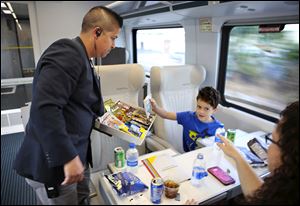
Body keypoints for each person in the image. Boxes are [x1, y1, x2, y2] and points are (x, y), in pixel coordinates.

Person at [13, 6, 123, 205]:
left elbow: (82, 102)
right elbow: (45, 109)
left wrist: (113, 116)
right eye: (113, 37)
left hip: (76, 155)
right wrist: (68, 157)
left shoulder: (84, 58)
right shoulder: (67, 52)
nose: (115, 45)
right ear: (97, 32)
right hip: (57, 165)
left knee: (82, 200)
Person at [185, 101, 299, 205]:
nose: (268, 149)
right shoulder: (287, 191)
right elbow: (260, 195)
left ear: (290, 153)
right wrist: (237, 155)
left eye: (272, 140)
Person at [150, 86, 223, 152]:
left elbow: (219, 149)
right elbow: (166, 114)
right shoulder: (187, 117)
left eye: (206, 109)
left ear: (214, 110)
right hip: (188, 155)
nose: (201, 111)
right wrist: (155, 108)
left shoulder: (218, 128)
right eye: (199, 107)